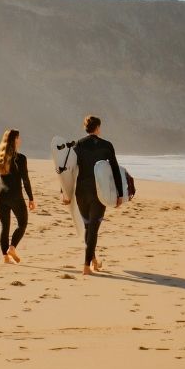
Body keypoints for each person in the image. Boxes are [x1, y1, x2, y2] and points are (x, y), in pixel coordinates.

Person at [71, 115, 123, 274]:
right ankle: (87, 266)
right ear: (98, 128)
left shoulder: (78, 145)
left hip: (80, 192)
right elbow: (114, 170)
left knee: (88, 226)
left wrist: (65, 192)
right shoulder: (106, 145)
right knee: (93, 229)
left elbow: (70, 170)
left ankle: (93, 261)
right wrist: (119, 194)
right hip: (99, 193)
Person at [0, 129, 36, 264]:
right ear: (14, 140)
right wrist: (31, 198)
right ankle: (12, 247)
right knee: (22, 223)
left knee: (5, 227)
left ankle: (5, 257)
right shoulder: (20, 158)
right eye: (18, 137)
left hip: (1, 196)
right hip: (15, 196)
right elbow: (25, 180)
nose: (20, 140)